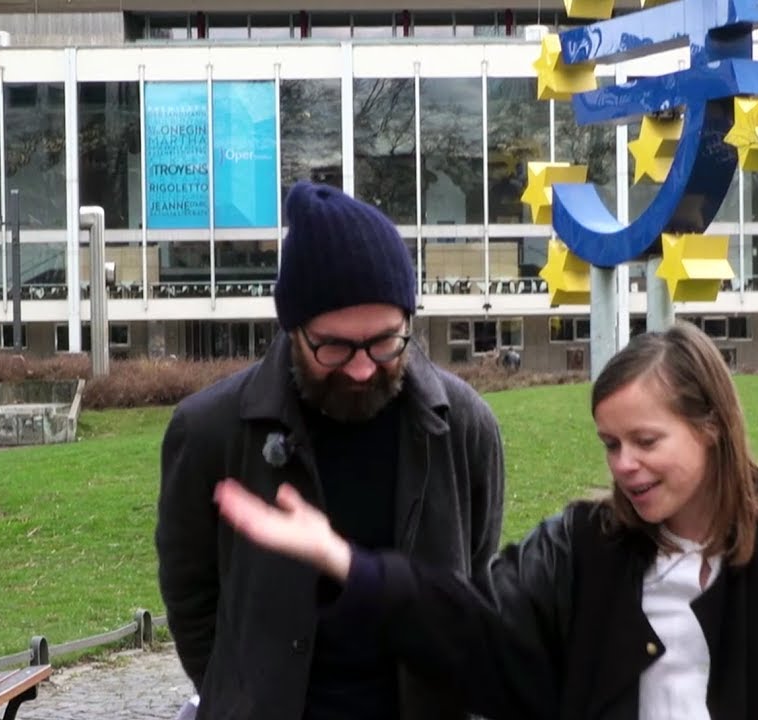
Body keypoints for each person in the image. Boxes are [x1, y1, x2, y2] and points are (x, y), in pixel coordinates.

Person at [215, 321, 758, 720]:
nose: (624, 466)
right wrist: (350, 564)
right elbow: (475, 630)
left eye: (646, 441)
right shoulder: (584, 548)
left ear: (712, 426)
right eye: (610, 445)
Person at [156, 180, 507, 720]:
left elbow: (475, 585)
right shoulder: (209, 432)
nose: (363, 368)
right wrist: (242, 698)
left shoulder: (465, 427)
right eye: (335, 347)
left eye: (385, 341)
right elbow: (190, 597)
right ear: (292, 329)